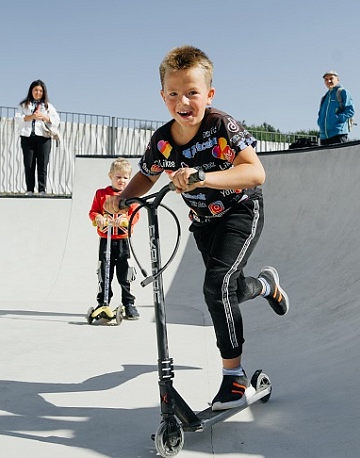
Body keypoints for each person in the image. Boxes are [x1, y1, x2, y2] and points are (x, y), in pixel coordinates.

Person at [104, 45, 289, 411]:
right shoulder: (163, 140)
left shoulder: (221, 126)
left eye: (192, 92)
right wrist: (123, 198)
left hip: (241, 210)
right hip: (203, 223)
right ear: (162, 96)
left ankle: (233, 380)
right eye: (173, 94)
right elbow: (146, 175)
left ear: (209, 94)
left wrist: (203, 176)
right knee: (229, 290)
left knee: (215, 287)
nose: (183, 101)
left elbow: (256, 172)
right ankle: (267, 285)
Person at [89, 158, 141, 319]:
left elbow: (135, 215)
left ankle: (128, 303)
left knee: (125, 273)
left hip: (123, 240)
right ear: (110, 176)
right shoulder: (101, 194)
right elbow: (93, 212)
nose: (122, 181)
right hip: (106, 240)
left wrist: (125, 220)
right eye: (118, 177)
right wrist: (98, 218)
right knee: (104, 271)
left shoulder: (130, 196)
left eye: (125, 178)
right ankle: (103, 302)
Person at [14, 79, 61, 194]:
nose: (38, 93)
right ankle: (29, 189)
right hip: (27, 137)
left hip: (44, 137)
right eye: (36, 90)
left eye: (40, 91)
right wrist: (31, 117)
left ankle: (42, 189)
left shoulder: (48, 106)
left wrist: (44, 117)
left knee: (42, 163)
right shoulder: (23, 105)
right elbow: (18, 119)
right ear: (31, 91)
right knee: (29, 164)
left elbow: (56, 120)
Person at [317, 70, 355, 145]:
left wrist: (337, 119)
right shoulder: (325, 97)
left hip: (338, 134)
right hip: (324, 137)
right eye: (326, 79)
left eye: (331, 78)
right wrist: (319, 122)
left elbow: (350, 111)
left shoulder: (342, 92)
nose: (329, 81)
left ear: (337, 79)